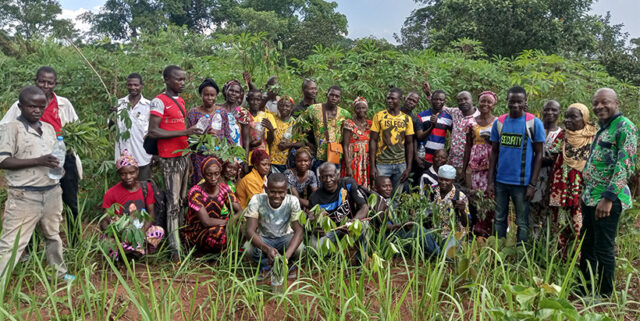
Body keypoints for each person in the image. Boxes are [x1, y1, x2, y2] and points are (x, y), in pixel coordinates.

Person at [0, 86, 74, 283]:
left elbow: (53, 157)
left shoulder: (48, 129)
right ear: (20, 106)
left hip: (51, 192)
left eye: (41, 107)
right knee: (12, 243)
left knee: (53, 237)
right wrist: (39, 161)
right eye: (31, 106)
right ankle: (2, 281)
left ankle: (59, 275)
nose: (36, 110)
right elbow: (3, 161)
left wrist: (59, 168)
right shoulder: (11, 129)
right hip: (24, 195)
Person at [1, 66, 82, 247]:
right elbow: (4, 126)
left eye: (50, 82)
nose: (45, 85)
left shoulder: (63, 104)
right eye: (42, 81)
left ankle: (75, 243)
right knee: (33, 202)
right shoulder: (20, 104)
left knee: (70, 202)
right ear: (35, 81)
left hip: (61, 157)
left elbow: (75, 127)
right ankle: (30, 247)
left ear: (55, 84)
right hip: (33, 159)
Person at [578, 88, 637, 298]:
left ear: (616, 103)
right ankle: (584, 286)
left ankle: (603, 294)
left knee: (603, 247)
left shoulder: (625, 127)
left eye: (604, 102)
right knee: (588, 245)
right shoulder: (604, 128)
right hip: (590, 197)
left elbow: (625, 165)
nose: (599, 107)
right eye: (595, 103)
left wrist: (608, 198)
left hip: (606, 200)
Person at [148, 65, 203, 258]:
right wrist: (185, 132)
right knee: (172, 203)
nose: (182, 82)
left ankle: (179, 239)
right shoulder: (158, 101)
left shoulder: (180, 100)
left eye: (183, 79)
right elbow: (153, 131)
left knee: (181, 201)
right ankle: (175, 250)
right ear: (167, 79)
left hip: (183, 156)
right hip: (169, 158)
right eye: (178, 79)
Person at [487, 86, 545, 245]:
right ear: (507, 101)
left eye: (519, 101)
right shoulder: (499, 122)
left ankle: (521, 254)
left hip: (522, 183)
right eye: (512, 101)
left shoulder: (533, 123)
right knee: (499, 218)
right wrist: (490, 181)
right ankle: (499, 251)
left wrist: (532, 184)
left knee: (522, 221)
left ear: (525, 102)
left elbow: (539, 154)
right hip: (500, 182)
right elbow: (494, 153)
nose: (515, 105)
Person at [548, 103, 597, 255]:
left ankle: (578, 259)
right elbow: (553, 155)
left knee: (579, 224)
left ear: (585, 117)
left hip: (581, 188)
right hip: (561, 187)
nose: (567, 120)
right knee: (561, 224)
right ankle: (560, 258)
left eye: (573, 117)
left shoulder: (593, 136)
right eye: (566, 116)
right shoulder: (562, 136)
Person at [101, 150, 165, 260]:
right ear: (118, 174)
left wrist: (140, 233)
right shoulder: (111, 193)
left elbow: (151, 213)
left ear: (137, 171)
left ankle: (138, 251)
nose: (128, 177)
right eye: (123, 174)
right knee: (107, 242)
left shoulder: (146, 188)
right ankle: (125, 253)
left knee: (158, 231)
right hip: (120, 232)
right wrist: (118, 236)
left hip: (140, 230)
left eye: (132, 173)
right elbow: (104, 220)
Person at [245, 173, 305, 278]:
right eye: (272, 192)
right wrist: (267, 249)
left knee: (300, 248)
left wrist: (286, 257)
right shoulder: (257, 200)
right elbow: (250, 230)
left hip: (284, 238)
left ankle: (288, 264)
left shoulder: (292, 201)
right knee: (248, 247)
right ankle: (265, 266)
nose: (277, 196)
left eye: (281, 192)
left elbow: (299, 231)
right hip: (264, 238)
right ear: (266, 189)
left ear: (286, 191)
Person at [308, 162, 370, 261]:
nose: (328, 180)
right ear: (320, 178)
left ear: (337, 175)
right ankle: (332, 258)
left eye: (331, 176)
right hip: (331, 231)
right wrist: (316, 228)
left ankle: (361, 259)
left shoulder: (348, 184)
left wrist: (354, 220)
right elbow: (312, 221)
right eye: (324, 177)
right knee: (315, 247)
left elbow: (364, 207)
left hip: (350, 226)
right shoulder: (314, 197)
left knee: (364, 224)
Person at [182, 157, 242, 254]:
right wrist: (228, 223)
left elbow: (239, 210)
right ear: (203, 174)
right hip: (196, 230)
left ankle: (234, 251)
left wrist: (233, 220)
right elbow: (206, 221)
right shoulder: (196, 192)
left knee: (241, 225)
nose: (213, 178)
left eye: (216, 174)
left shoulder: (224, 189)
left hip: (217, 224)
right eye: (209, 174)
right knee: (219, 232)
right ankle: (209, 254)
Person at [374, 176, 439, 257]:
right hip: (387, 240)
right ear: (376, 188)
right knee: (419, 231)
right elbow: (383, 227)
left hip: (393, 234)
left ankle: (439, 254)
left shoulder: (385, 200)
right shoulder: (377, 202)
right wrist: (401, 226)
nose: (388, 189)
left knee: (422, 229)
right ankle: (440, 256)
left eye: (390, 186)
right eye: (384, 186)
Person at [463, 91, 498, 236]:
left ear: (493, 105)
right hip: (475, 165)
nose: (485, 104)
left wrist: (492, 141)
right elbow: (468, 145)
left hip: (491, 165)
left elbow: (500, 145)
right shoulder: (471, 122)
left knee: (490, 197)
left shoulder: (498, 122)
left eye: (488, 102)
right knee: (475, 198)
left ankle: (489, 230)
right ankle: (475, 229)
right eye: (482, 101)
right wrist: (464, 168)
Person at [187, 78, 233, 185]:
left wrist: (231, 155)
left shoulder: (222, 112)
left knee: (218, 186)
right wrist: (204, 136)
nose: (209, 98)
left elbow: (227, 134)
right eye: (206, 95)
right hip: (199, 158)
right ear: (201, 95)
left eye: (212, 95)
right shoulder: (193, 113)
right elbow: (189, 139)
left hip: (219, 157)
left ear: (216, 96)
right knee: (201, 185)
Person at [370, 88, 414, 193]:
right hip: (382, 163)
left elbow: (409, 143)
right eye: (388, 98)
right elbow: (373, 140)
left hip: (400, 163)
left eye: (392, 98)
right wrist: (372, 166)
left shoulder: (406, 119)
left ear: (400, 100)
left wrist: (408, 167)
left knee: (397, 195)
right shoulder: (379, 116)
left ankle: (393, 210)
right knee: (380, 194)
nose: (389, 101)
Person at [529, 100, 563, 238]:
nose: (550, 112)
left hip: (552, 181)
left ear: (559, 113)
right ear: (542, 111)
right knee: (531, 215)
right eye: (547, 109)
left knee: (548, 216)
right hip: (533, 179)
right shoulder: (534, 130)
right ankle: (530, 248)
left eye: (554, 110)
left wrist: (545, 160)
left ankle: (545, 250)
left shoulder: (562, 134)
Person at [112, 73, 153, 181]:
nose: (133, 88)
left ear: (141, 86)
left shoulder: (149, 106)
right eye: (130, 85)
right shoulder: (119, 103)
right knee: (125, 190)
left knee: (144, 187)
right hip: (122, 157)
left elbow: (153, 131)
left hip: (142, 155)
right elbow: (111, 127)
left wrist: (155, 154)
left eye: (136, 85)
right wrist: (113, 114)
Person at [304, 86, 351, 171]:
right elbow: (299, 126)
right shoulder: (313, 109)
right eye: (331, 95)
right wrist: (307, 143)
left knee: (333, 181)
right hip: (320, 155)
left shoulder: (345, 114)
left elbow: (348, 136)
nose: (334, 98)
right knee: (320, 180)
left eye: (337, 96)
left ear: (340, 99)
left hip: (336, 155)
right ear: (327, 95)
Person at [429, 165, 470, 258]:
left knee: (447, 257)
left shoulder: (460, 196)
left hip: (453, 233)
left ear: (453, 181)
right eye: (441, 179)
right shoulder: (432, 190)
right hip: (435, 230)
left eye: (447, 180)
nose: (443, 183)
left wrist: (463, 211)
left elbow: (467, 223)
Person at [443, 91, 480, 180]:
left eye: (465, 99)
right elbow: (441, 106)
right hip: (452, 162)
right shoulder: (456, 112)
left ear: (472, 100)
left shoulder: (480, 117)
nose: (463, 102)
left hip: (469, 165)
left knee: (467, 191)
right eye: (460, 100)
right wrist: (429, 94)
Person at [416, 90, 452, 166]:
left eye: (441, 100)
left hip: (439, 160)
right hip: (422, 158)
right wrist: (432, 126)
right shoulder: (421, 116)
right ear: (431, 100)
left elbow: (455, 137)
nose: (438, 101)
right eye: (435, 99)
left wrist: (447, 152)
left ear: (444, 102)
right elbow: (418, 137)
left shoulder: (448, 118)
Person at [342, 97, 372, 187]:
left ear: (367, 109)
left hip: (366, 160)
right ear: (354, 109)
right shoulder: (349, 123)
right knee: (352, 184)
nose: (361, 110)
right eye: (358, 108)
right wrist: (348, 166)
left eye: (363, 108)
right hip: (353, 159)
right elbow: (345, 145)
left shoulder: (370, 124)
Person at [219, 79, 252, 160]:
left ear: (240, 94)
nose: (233, 93)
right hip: (219, 152)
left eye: (236, 92)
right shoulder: (218, 109)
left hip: (236, 153)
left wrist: (246, 160)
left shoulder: (242, 112)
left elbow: (246, 139)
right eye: (231, 90)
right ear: (226, 90)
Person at [270, 96, 302, 173]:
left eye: (287, 106)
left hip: (284, 163)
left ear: (291, 108)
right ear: (278, 107)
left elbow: (301, 143)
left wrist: (288, 145)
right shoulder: (272, 117)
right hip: (269, 161)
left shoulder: (295, 124)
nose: (284, 108)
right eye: (282, 105)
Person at [401, 91, 425, 186]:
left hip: (407, 155)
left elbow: (418, 137)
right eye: (409, 99)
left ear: (416, 104)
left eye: (414, 101)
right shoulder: (392, 113)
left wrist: (432, 126)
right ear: (404, 99)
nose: (411, 102)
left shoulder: (415, 120)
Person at [247, 89, 276, 155]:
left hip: (263, 157)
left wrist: (271, 130)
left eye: (258, 100)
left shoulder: (268, 116)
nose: (255, 102)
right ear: (248, 100)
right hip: (248, 157)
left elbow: (270, 142)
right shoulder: (244, 115)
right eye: (252, 99)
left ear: (261, 101)